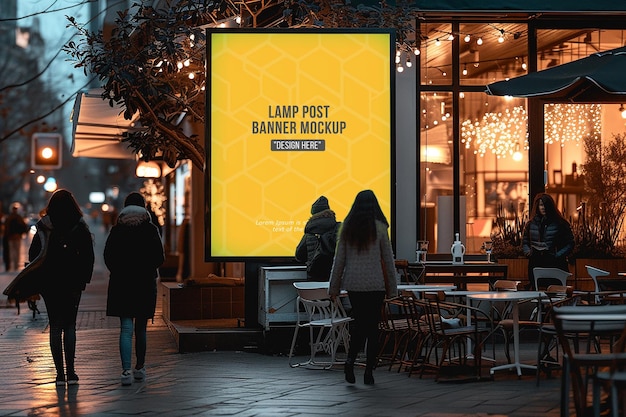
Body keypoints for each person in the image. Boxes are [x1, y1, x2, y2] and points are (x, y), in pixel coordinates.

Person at [328, 190, 397, 385]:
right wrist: (393, 289)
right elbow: (388, 261)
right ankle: (369, 372)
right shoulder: (380, 229)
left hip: (354, 285)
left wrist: (333, 288)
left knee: (358, 324)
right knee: (373, 327)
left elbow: (338, 261)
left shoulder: (347, 229)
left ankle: (350, 361)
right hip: (376, 285)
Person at [28, 189, 95, 386]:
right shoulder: (79, 225)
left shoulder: (43, 226)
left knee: (55, 326)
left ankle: (59, 375)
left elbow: (33, 255)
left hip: (49, 283)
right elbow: (88, 256)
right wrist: (84, 279)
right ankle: (71, 373)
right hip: (73, 282)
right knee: (70, 325)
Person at [104, 192, 165, 386]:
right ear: (144, 207)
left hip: (122, 283)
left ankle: (125, 371)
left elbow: (108, 256)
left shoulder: (117, 230)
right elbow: (159, 257)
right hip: (144, 283)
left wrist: (119, 270)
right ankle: (140, 368)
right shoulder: (150, 229)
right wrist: (146, 268)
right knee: (141, 329)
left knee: (125, 328)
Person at [522, 193, 575, 290]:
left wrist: (558, 255)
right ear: (537, 206)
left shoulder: (560, 223)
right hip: (536, 263)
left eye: (545, 205)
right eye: (541, 205)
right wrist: (528, 253)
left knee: (555, 290)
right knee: (537, 289)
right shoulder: (531, 224)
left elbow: (570, 243)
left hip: (555, 264)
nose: (543, 208)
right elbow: (525, 242)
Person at [295, 196, 340, 281]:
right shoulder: (338, 229)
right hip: (334, 275)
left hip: (315, 276)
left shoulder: (309, 233)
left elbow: (299, 256)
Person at [6, 204, 28, 271]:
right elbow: (24, 226)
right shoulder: (18, 218)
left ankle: (14, 265)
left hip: (11, 237)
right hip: (16, 236)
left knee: (12, 251)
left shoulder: (9, 217)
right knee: (16, 251)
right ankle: (15, 265)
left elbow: (7, 227)